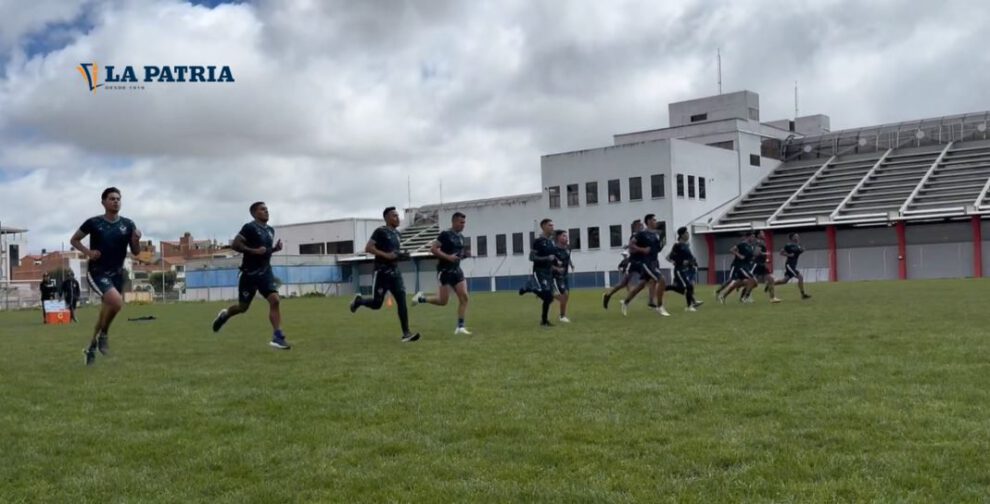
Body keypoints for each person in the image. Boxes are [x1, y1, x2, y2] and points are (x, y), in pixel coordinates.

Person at [70, 187, 142, 365]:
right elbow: (74, 240)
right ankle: (104, 335)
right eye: (111, 198)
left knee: (104, 313)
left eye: (118, 198)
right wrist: (88, 252)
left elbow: (136, 252)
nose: (116, 201)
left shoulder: (128, 224)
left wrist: (135, 240)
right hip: (97, 272)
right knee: (116, 302)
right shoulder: (93, 223)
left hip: (117, 274)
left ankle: (91, 348)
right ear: (103, 202)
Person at [211, 202, 291, 350]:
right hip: (249, 274)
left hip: (265, 272)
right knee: (242, 307)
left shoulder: (270, 231)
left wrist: (274, 249)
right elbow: (236, 245)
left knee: (275, 300)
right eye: (262, 209)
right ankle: (225, 315)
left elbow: (264, 251)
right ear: (254, 213)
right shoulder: (249, 228)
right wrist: (253, 251)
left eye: (267, 209)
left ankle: (277, 336)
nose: (266, 211)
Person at [350, 206, 421, 342]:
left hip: (395, 273)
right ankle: (359, 301)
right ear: (388, 218)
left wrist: (401, 256)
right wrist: (386, 255)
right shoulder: (380, 231)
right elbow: (369, 248)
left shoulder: (398, 234)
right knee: (377, 304)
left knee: (402, 301)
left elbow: (393, 254)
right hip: (381, 272)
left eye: (398, 215)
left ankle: (406, 333)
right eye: (394, 216)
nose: (398, 218)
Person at [412, 212, 471, 335]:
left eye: (464, 222)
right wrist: (448, 257)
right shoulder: (445, 234)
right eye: (461, 222)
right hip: (444, 271)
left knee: (464, 297)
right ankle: (421, 299)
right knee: (443, 301)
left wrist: (464, 255)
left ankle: (460, 327)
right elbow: (433, 249)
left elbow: (457, 254)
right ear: (454, 222)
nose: (463, 225)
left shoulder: (460, 237)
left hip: (457, 271)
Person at [619, 214, 670, 317]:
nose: (656, 222)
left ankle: (625, 302)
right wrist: (642, 250)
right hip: (646, 263)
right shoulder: (642, 234)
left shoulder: (656, 235)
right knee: (662, 279)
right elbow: (631, 245)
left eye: (656, 220)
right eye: (654, 220)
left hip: (654, 262)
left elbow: (656, 249)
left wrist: (662, 244)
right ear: (649, 221)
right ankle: (660, 306)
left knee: (641, 285)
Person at [519, 218, 558, 327]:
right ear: (543, 226)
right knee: (547, 296)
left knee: (549, 298)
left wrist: (556, 263)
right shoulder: (538, 241)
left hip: (549, 272)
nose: (552, 227)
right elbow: (531, 257)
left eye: (552, 225)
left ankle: (544, 321)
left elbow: (552, 257)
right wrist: (546, 258)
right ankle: (530, 288)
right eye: (550, 225)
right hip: (540, 271)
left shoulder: (551, 242)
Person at [603, 219, 643, 310]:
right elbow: (632, 246)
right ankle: (608, 295)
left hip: (640, 262)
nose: (642, 226)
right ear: (636, 226)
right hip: (633, 262)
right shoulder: (635, 235)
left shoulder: (640, 235)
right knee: (624, 283)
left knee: (648, 280)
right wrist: (629, 246)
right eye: (640, 225)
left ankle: (651, 302)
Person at [665, 226, 704, 311]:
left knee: (684, 288)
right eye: (686, 233)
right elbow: (671, 257)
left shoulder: (686, 245)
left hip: (686, 269)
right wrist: (680, 262)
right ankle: (689, 306)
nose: (688, 234)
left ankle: (667, 288)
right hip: (679, 270)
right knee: (688, 286)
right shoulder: (677, 245)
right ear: (682, 235)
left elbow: (689, 258)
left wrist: (693, 262)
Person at [718, 231, 757, 304]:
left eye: (754, 237)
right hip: (741, 267)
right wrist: (739, 255)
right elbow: (732, 250)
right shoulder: (742, 244)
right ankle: (745, 298)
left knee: (738, 283)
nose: (753, 238)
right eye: (752, 237)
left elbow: (749, 257)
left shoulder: (751, 246)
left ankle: (723, 296)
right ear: (748, 237)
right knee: (753, 281)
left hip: (746, 267)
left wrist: (753, 258)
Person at [775, 232, 812, 299]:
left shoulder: (798, 246)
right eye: (796, 236)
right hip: (789, 265)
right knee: (800, 277)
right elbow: (781, 252)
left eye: (798, 236)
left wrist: (802, 250)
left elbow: (797, 253)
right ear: (792, 238)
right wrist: (789, 255)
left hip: (793, 265)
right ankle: (803, 295)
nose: (798, 238)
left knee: (784, 281)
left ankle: (771, 284)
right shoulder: (788, 245)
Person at [552, 229, 575, 323]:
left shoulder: (568, 248)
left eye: (567, 236)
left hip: (565, 275)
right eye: (564, 236)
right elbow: (548, 263)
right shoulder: (553, 250)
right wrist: (557, 268)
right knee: (564, 295)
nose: (566, 238)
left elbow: (568, 257)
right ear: (558, 237)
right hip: (556, 276)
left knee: (566, 296)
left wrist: (571, 264)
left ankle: (562, 316)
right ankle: (562, 316)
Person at [752, 231, 781, 303]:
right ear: (758, 235)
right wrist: (765, 253)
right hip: (758, 264)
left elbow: (757, 253)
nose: (764, 235)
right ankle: (772, 298)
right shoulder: (759, 242)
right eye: (762, 233)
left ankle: (772, 297)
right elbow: (756, 253)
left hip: (760, 264)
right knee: (753, 282)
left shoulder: (760, 242)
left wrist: (765, 258)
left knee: (768, 280)